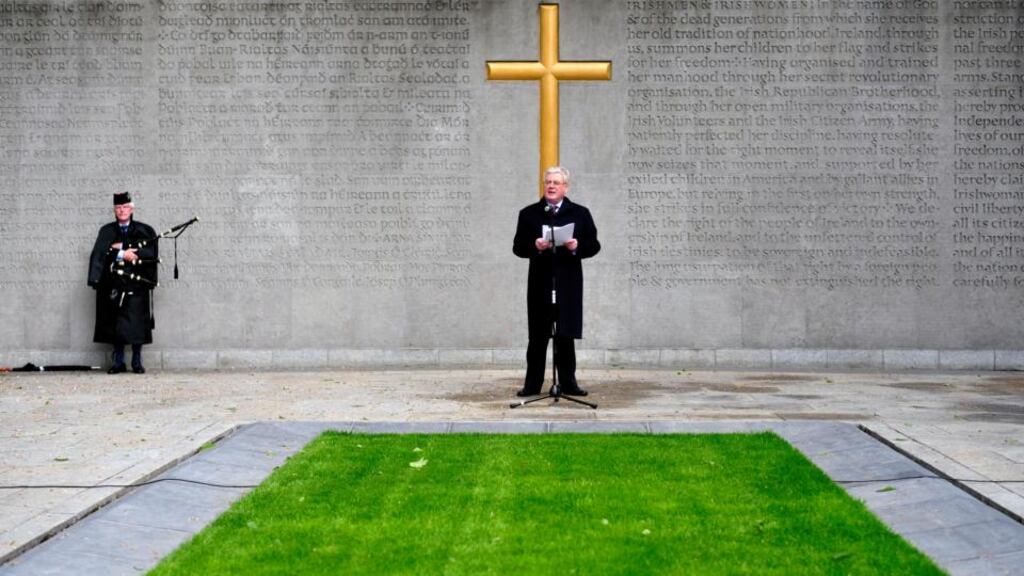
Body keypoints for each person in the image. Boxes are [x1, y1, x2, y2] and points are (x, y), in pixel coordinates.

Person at [512, 166, 600, 396]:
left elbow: (594, 245)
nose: (551, 186)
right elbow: (518, 248)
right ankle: (532, 385)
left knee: (565, 336)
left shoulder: (580, 213)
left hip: (567, 284)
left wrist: (577, 246)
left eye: (556, 183)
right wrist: (535, 246)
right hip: (540, 284)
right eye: (548, 182)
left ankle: (569, 384)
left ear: (565, 187)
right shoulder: (529, 214)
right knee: (538, 338)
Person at [87, 192, 158, 374]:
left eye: (125, 207)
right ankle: (118, 361)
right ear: (114, 210)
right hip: (115, 284)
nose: (122, 210)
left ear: (131, 209)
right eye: (118, 207)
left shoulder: (144, 230)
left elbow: (150, 252)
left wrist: (122, 249)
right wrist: (121, 253)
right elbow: (99, 253)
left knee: (137, 324)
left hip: (136, 284)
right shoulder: (107, 231)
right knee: (116, 324)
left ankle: (136, 361)